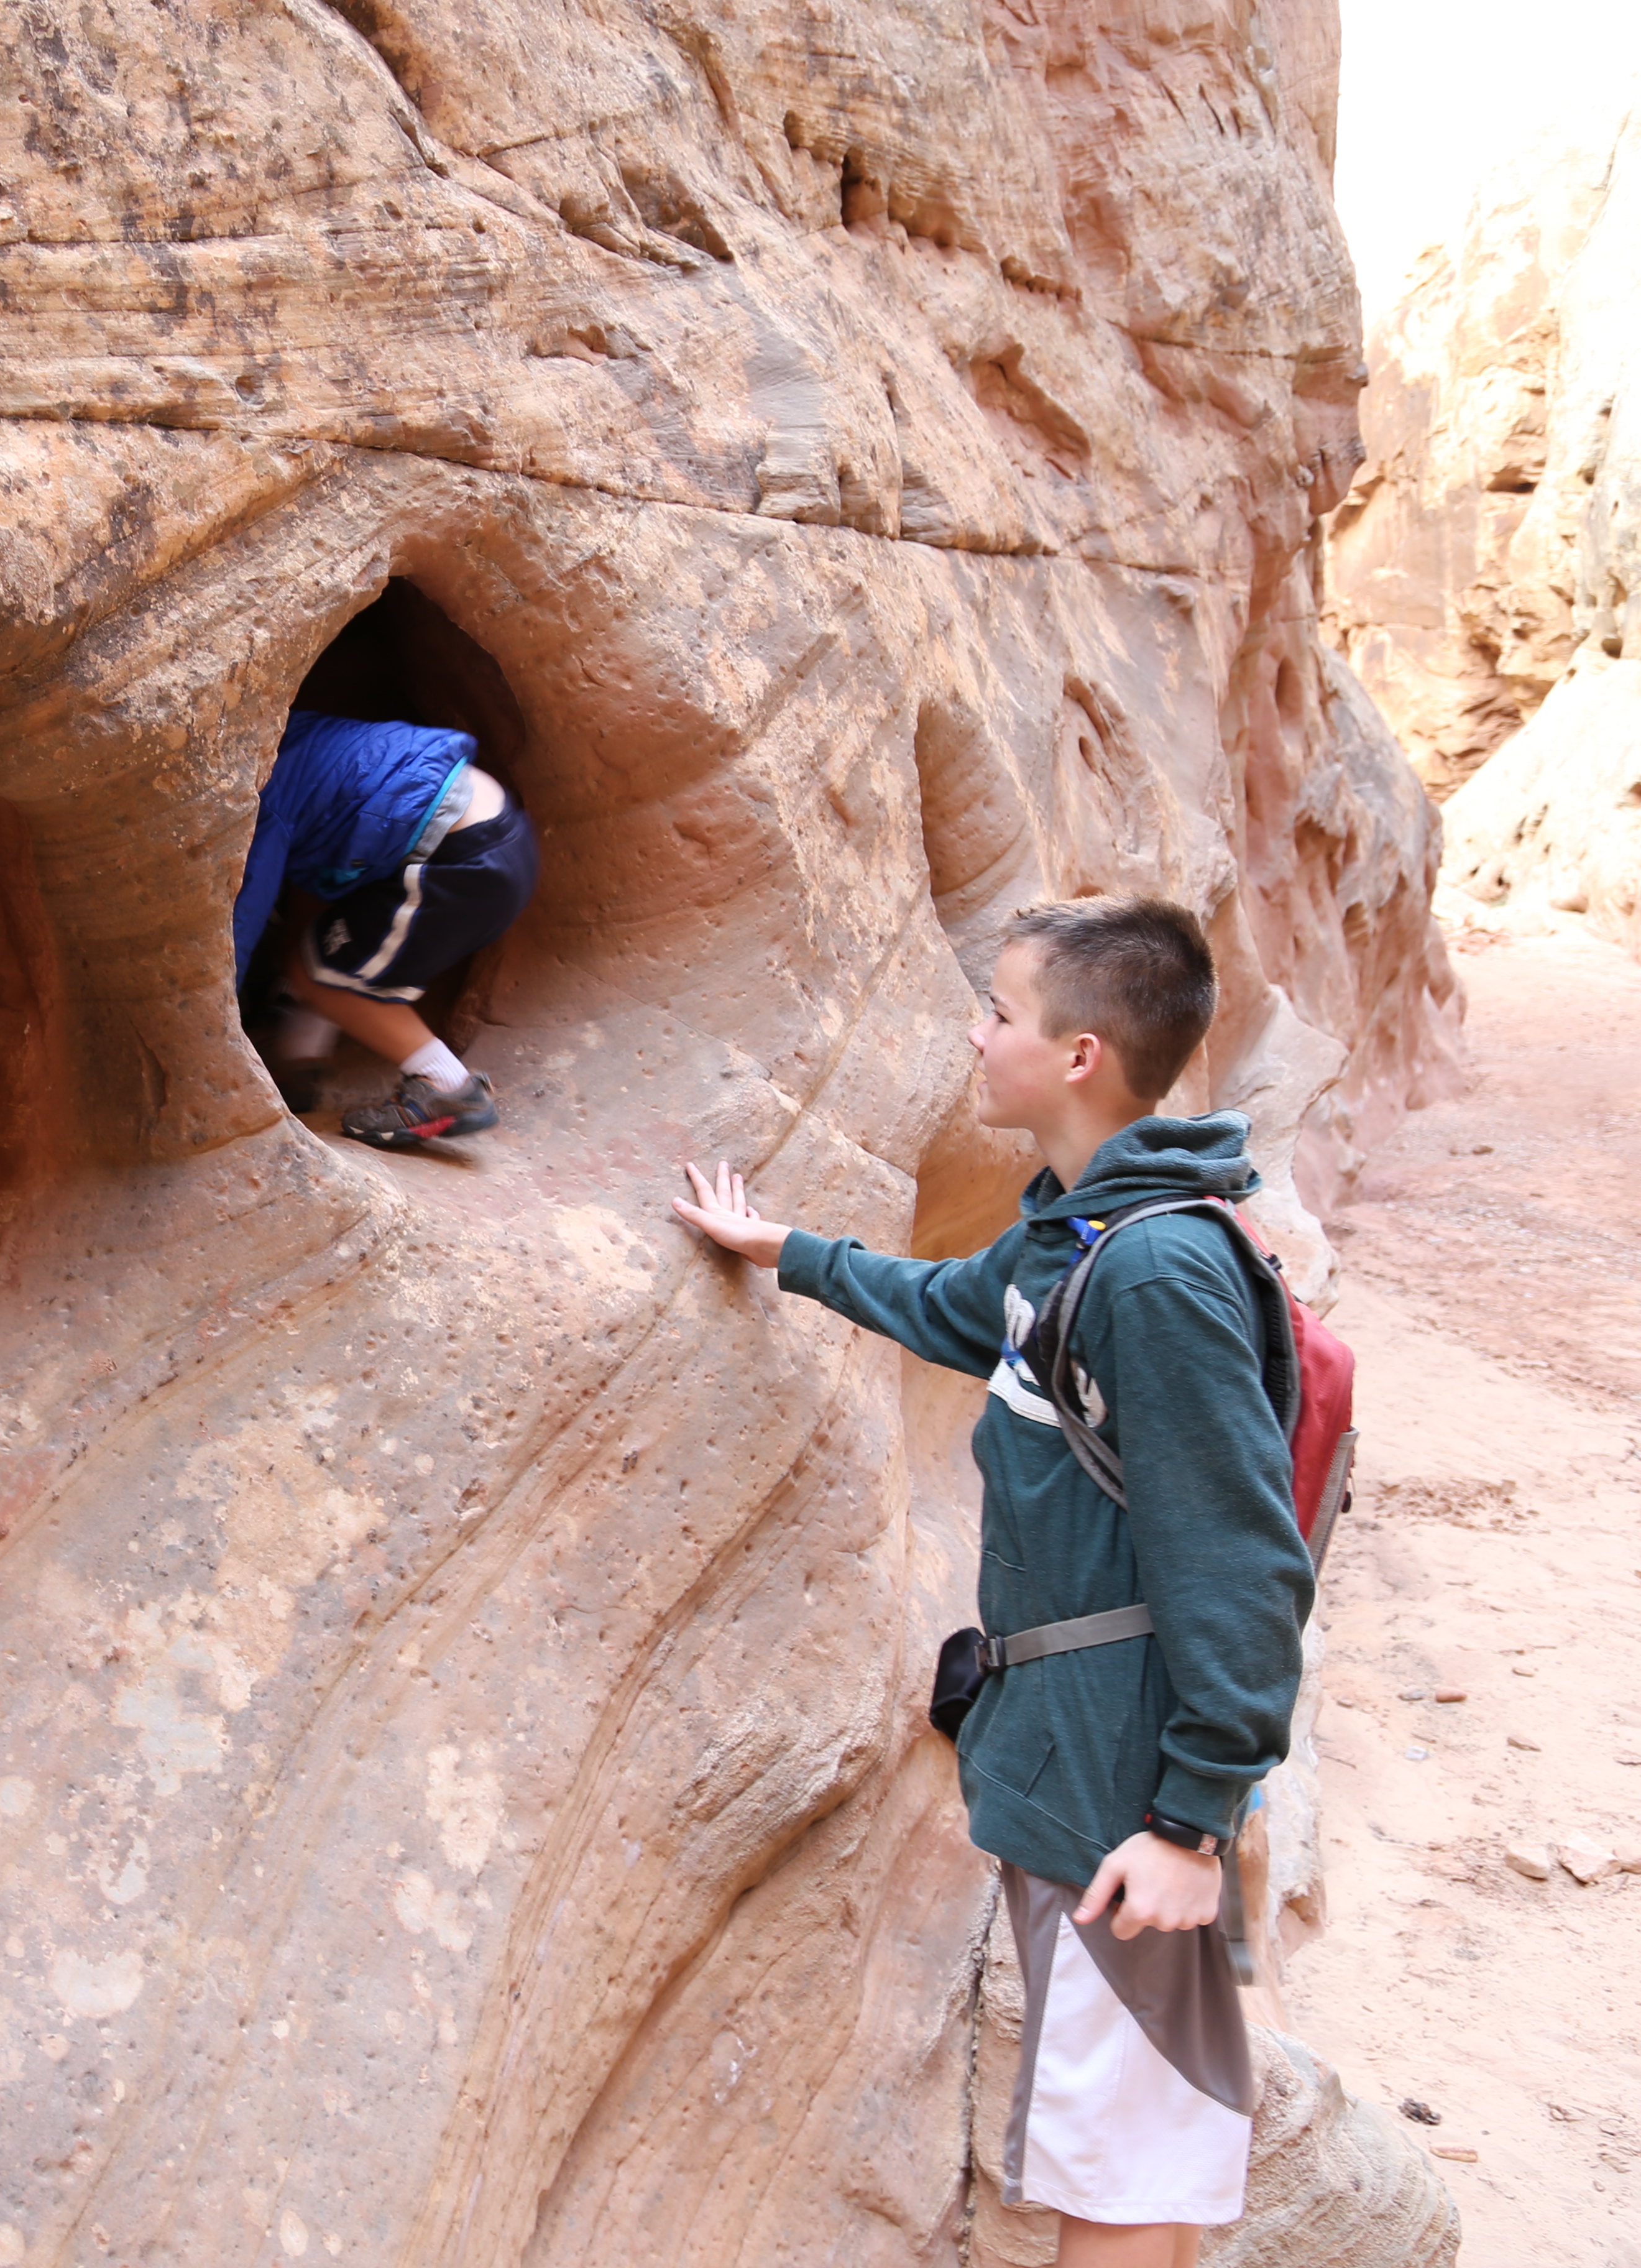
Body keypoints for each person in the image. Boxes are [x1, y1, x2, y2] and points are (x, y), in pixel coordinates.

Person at [671, 896, 1308, 2267]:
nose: (977, 1032)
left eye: (1002, 1012)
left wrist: (1190, 1825)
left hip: (1121, 1792)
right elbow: (966, 1312)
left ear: (1079, 1056)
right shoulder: (1074, 1240)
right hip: (1080, 1763)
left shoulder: (1153, 1275)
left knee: (1122, 2169)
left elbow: (1247, 1565)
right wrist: (789, 1253)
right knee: (1136, 2141)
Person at [231, 708, 541, 1150]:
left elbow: (243, 915)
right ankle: (298, 1064)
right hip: (493, 838)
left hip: (458, 853)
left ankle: (448, 1088)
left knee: (320, 974)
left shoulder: (261, 791)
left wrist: (212, 1026)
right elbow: (311, 888)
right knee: (329, 956)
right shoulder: (292, 737)